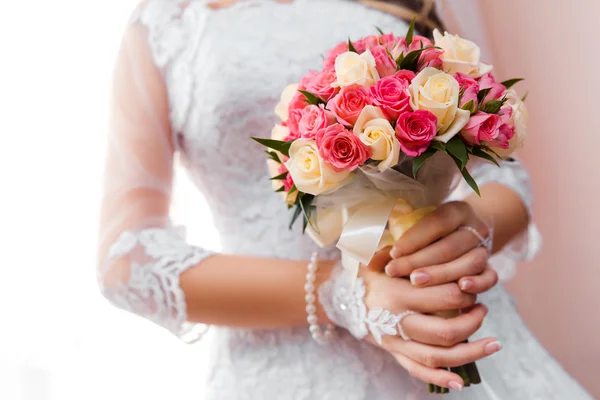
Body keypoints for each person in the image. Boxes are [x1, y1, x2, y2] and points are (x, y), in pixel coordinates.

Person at [97, 0, 593, 398]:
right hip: (286, 366)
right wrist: (343, 295)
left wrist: (471, 226)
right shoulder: (167, 24)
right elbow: (127, 259)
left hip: (449, 321)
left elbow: (504, 172)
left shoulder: (407, 3)